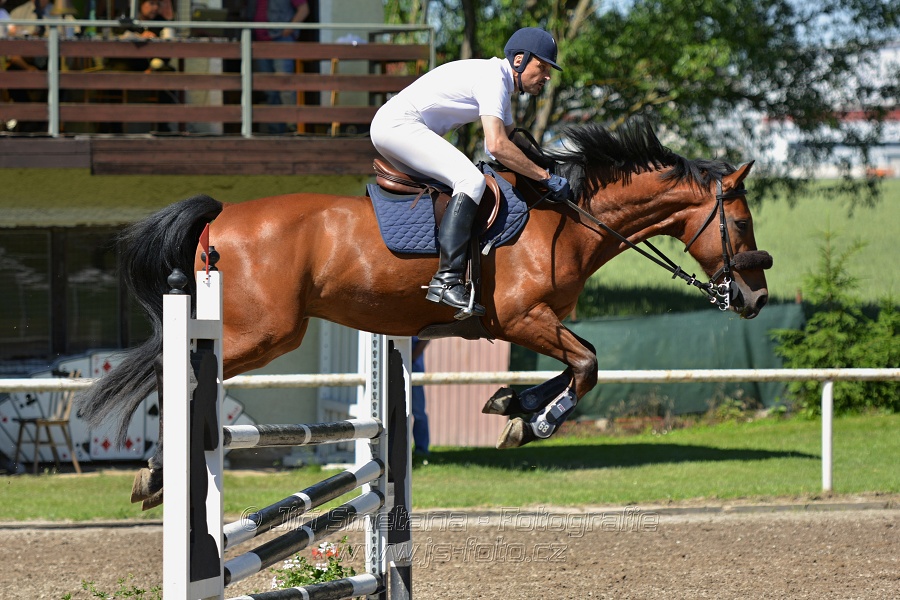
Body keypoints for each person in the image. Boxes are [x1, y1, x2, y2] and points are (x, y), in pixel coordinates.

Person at [370, 27, 571, 318]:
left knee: (459, 183)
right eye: (542, 66)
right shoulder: (494, 80)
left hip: (396, 126)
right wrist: (544, 177)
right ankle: (447, 279)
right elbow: (497, 145)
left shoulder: (500, 82)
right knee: (471, 180)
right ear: (519, 60)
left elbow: (512, 138)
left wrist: (550, 165)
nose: (547, 75)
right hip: (399, 125)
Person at [245, 0, 310, 134]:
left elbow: (304, 9)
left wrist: (289, 28)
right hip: (260, 42)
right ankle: (275, 130)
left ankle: (293, 127)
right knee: (269, 89)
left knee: (285, 85)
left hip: (281, 39)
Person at [410, 337, 430, 457]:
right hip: (398, 366)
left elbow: (426, 338)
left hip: (414, 369)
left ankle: (421, 449)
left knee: (418, 413)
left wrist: (411, 358)